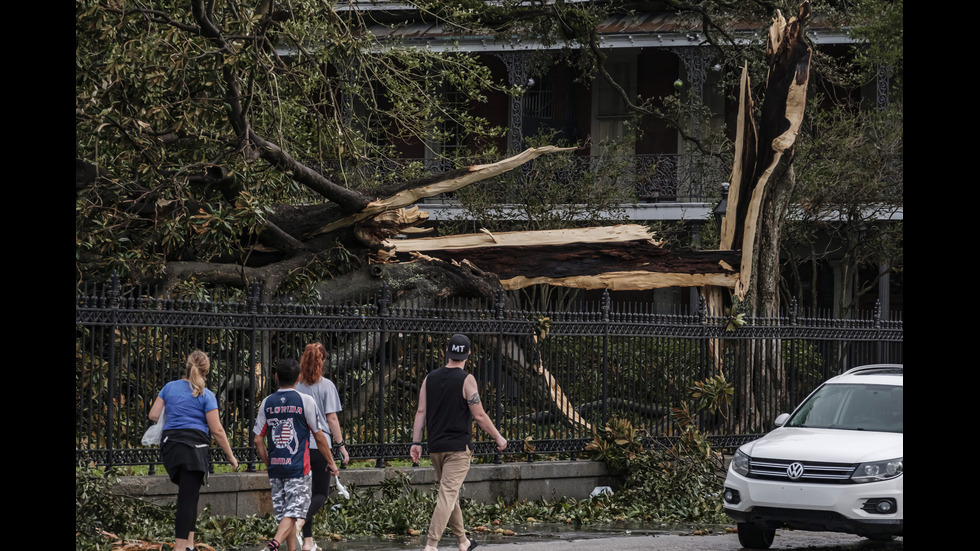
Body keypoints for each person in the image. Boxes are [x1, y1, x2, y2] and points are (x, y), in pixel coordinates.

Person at [410, 334, 508, 551]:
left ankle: (463, 541)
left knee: (449, 493)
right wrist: (498, 437)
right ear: (469, 354)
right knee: (447, 494)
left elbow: (421, 411)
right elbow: (479, 415)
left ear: (446, 351)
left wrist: (416, 442)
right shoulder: (467, 379)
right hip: (458, 449)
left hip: (435, 448)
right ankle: (431, 545)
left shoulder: (429, 378)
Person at [148, 350, 239, 551]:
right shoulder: (206, 395)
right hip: (194, 449)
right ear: (206, 371)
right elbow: (216, 429)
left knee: (191, 495)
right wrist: (231, 456)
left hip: (170, 447)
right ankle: (179, 548)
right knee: (186, 500)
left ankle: (189, 543)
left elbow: (153, 415)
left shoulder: (169, 387)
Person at [254, 358, 341, 551]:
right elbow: (319, 437)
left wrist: (268, 462)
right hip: (298, 467)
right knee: (294, 512)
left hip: (276, 466)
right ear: (298, 377)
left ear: (276, 377)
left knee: (285, 512)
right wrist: (332, 462)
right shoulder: (305, 401)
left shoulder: (267, 402)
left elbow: (257, 440)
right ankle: (272, 545)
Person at [294, 342, 351, 551]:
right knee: (321, 493)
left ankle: (308, 542)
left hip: (300, 446)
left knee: (307, 494)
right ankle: (298, 524)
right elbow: (332, 419)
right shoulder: (326, 385)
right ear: (323, 361)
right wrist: (341, 446)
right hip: (320, 446)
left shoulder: (296, 385)